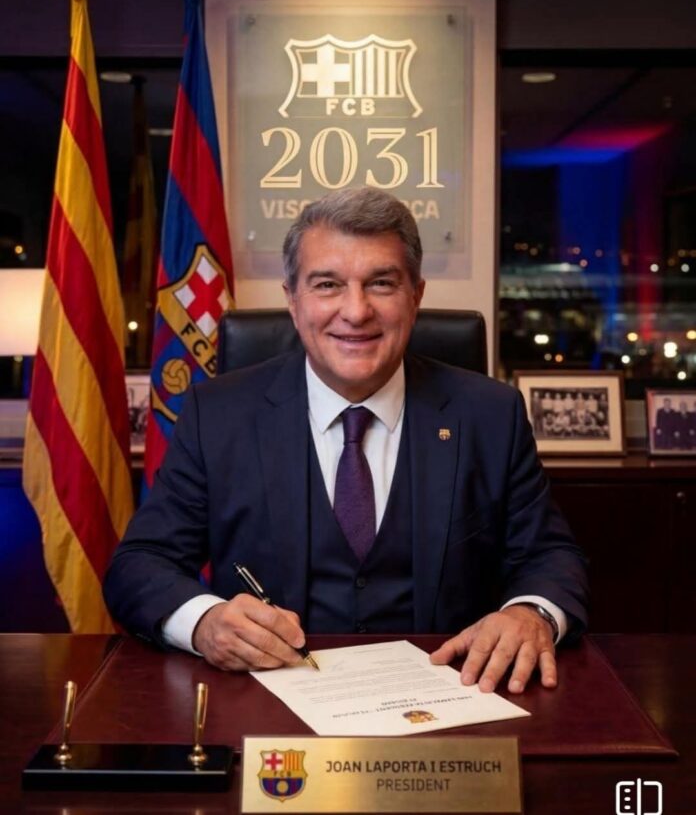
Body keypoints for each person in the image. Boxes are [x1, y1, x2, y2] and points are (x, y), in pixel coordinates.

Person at [104, 186, 588, 696]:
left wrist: (531, 614)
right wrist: (204, 623)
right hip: (269, 705)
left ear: (416, 296)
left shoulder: (490, 414)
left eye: (381, 283)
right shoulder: (218, 414)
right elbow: (139, 564)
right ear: (293, 301)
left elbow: (550, 556)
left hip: (452, 698)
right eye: (328, 285)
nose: (356, 312)